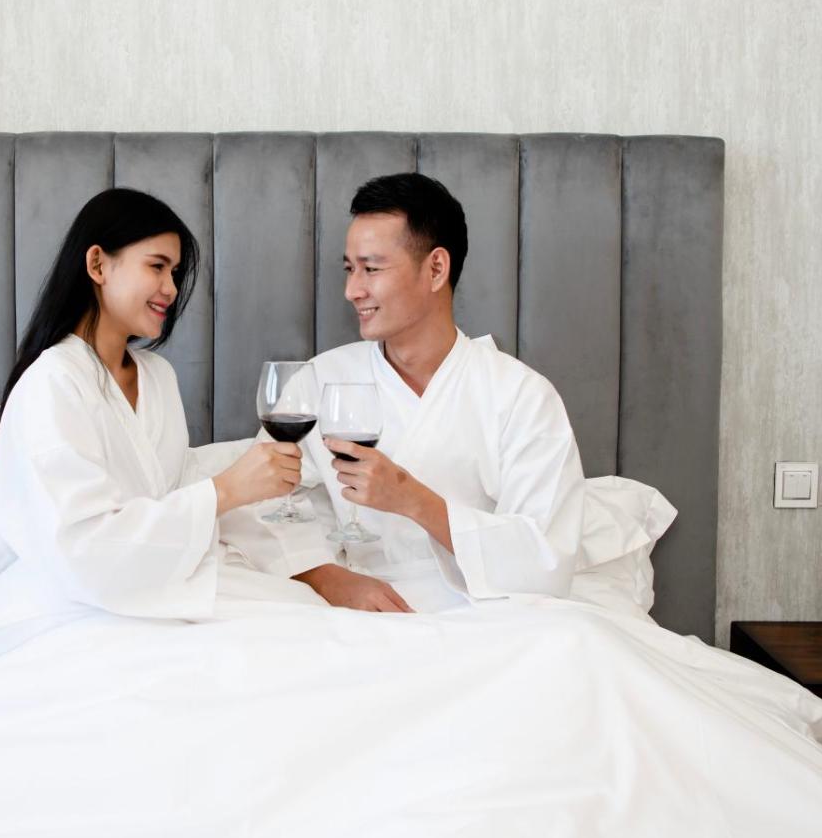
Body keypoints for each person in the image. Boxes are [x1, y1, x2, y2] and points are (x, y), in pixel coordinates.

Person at [225, 173, 586, 613]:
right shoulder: (320, 380)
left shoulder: (521, 396)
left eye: (372, 269)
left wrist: (414, 500)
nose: (352, 291)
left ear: (436, 269)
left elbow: (546, 560)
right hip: (355, 603)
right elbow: (260, 505)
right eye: (349, 269)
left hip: (486, 608)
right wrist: (329, 578)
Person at [0, 187, 315, 620]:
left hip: (172, 582)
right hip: (87, 604)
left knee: (309, 615)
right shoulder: (52, 382)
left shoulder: (158, 376)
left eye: (174, 272)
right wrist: (227, 488)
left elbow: (176, 484)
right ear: (98, 264)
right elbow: (84, 547)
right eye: (157, 266)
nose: (171, 289)